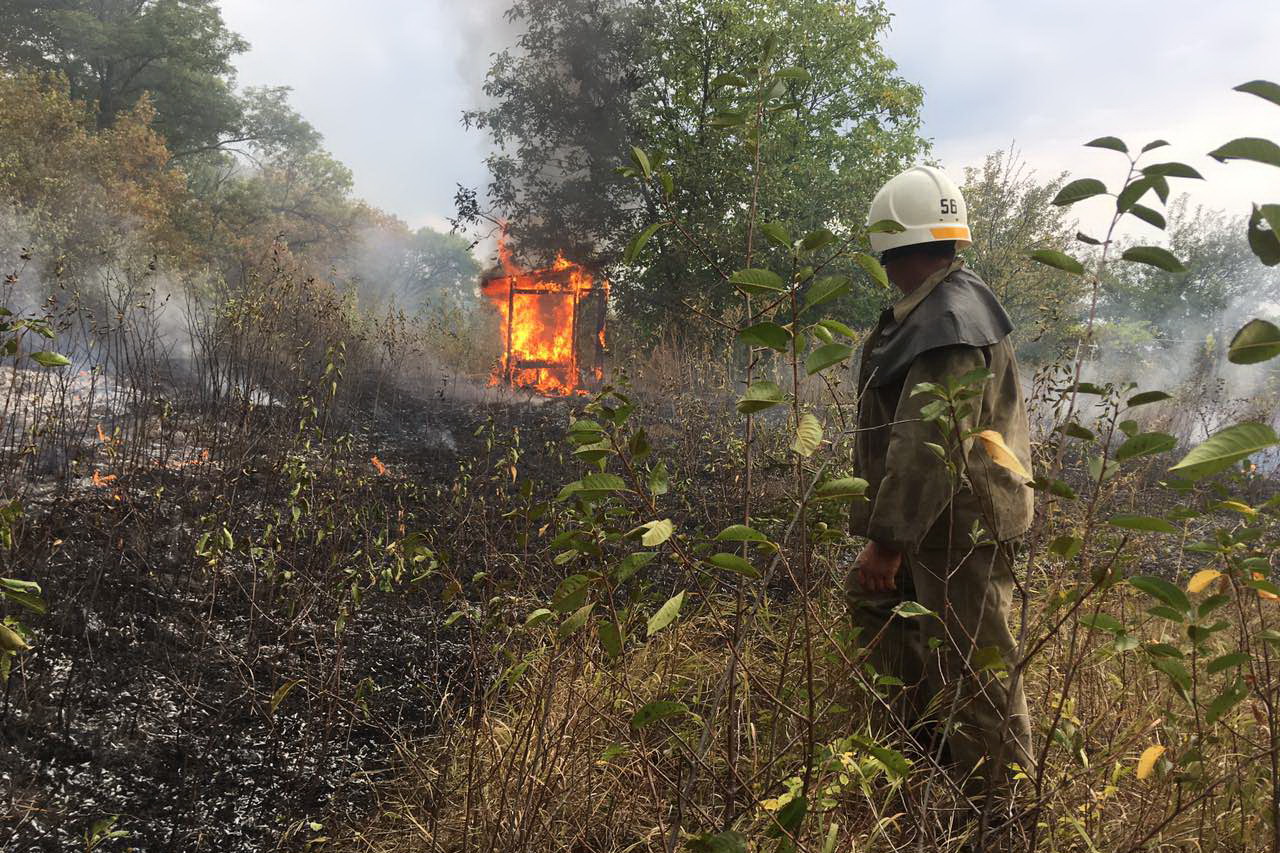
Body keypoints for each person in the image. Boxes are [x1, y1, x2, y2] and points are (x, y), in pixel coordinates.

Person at [847, 164, 1035, 798]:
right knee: (885, 611)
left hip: (959, 527)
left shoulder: (945, 323)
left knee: (976, 665)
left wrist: (888, 541)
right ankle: (924, 761)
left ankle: (997, 815)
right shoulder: (941, 306)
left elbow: (929, 442)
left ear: (894, 248)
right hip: (941, 521)